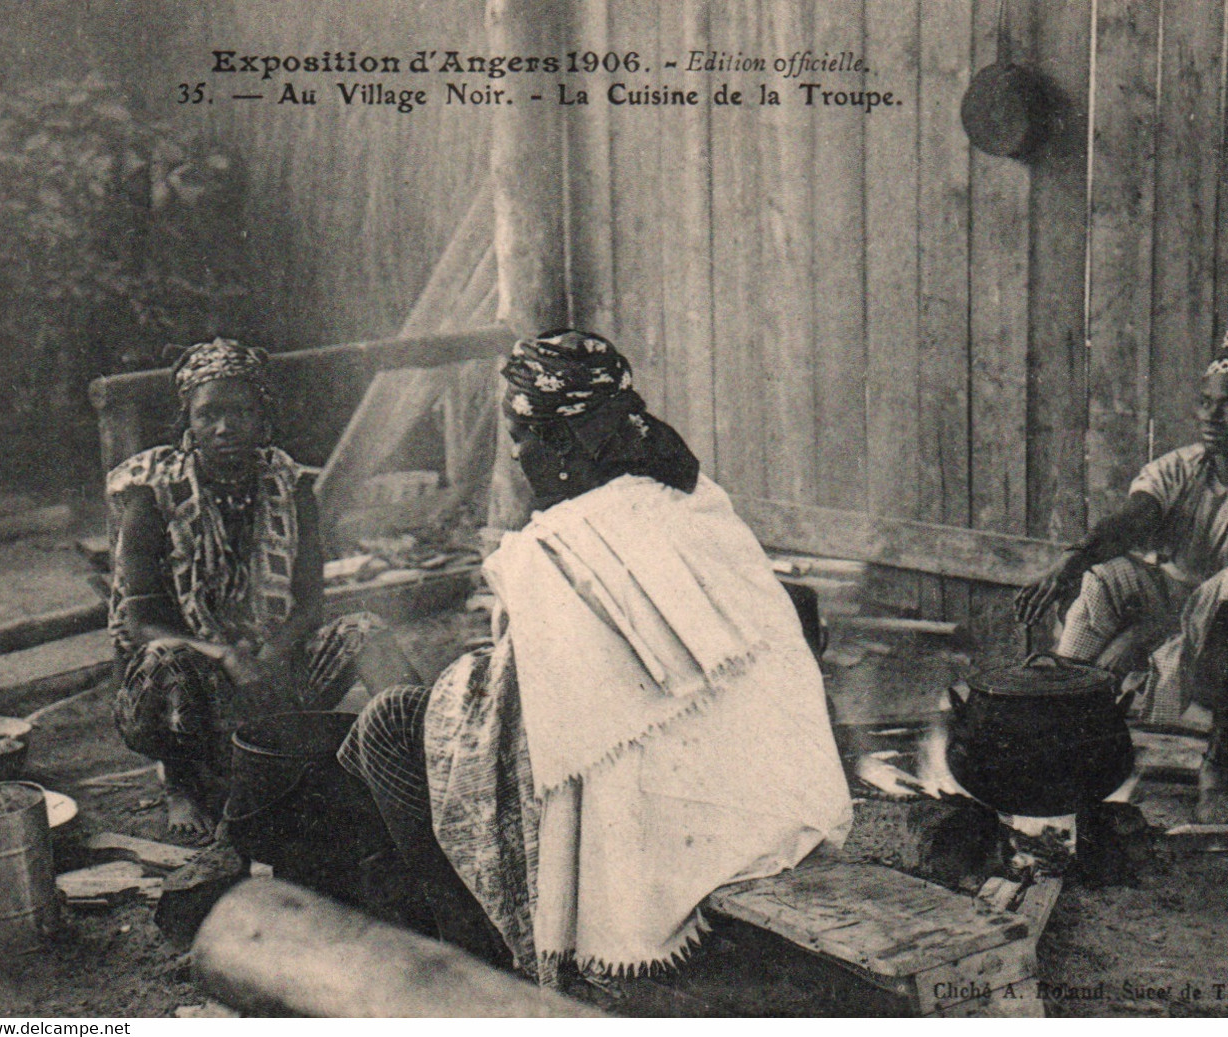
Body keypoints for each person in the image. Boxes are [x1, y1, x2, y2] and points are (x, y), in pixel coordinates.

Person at [339, 329, 853, 982]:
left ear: (560, 445)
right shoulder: (695, 499)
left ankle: (481, 953)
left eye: (518, 436)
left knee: (385, 727)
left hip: (664, 825)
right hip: (773, 804)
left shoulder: (554, 547)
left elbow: (534, 724)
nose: (516, 454)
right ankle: (430, 918)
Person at [1016, 327, 1228, 823]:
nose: (1212, 414)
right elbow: (1132, 522)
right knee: (1103, 577)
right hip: (1179, 621)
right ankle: (1055, 729)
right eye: (1206, 402)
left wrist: (1147, 635)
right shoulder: (1178, 469)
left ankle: (1218, 767)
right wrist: (1072, 561)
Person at [108, 337, 416, 843]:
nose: (225, 428)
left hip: (275, 666)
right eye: (209, 415)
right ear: (188, 421)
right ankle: (181, 783)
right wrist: (227, 657)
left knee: (366, 630)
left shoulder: (289, 484)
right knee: (163, 656)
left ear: (263, 419)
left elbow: (310, 601)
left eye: (241, 412)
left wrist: (274, 652)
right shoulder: (152, 492)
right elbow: (140, 622)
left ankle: (417, 754)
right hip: (193, 681)